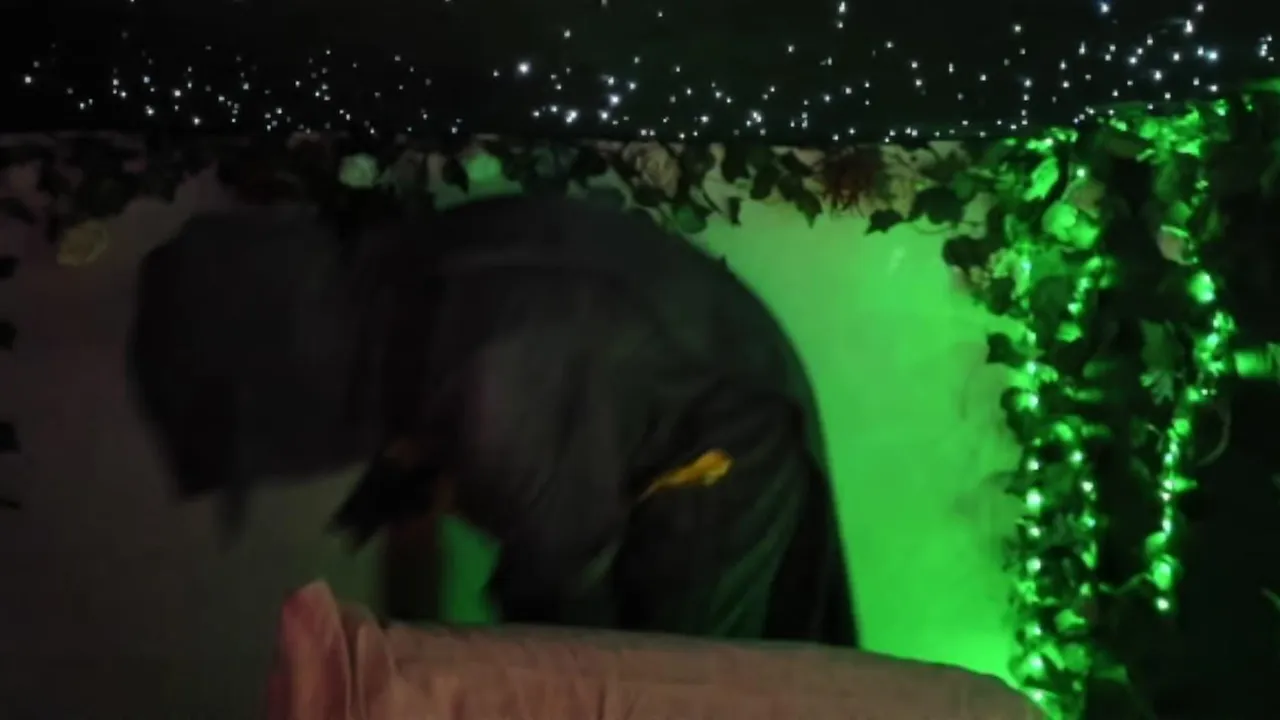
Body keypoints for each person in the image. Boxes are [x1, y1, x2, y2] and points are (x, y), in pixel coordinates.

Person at [129, 193, 857, 645]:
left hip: (720, 438)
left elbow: (567, 632)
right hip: (659, 388)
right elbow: (416, 514)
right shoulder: (395, 309)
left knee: (669, 680)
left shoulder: (492, 375)